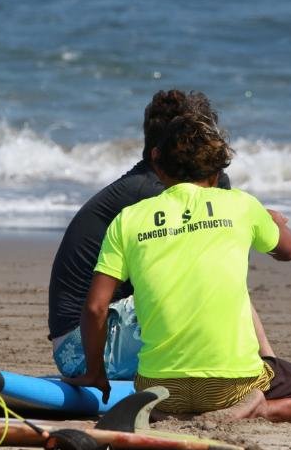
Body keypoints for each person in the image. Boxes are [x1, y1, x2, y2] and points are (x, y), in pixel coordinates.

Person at [64, 113, 291, 422]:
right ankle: (259, 408)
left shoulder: (128, 220)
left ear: (157, 164)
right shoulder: (241, 205)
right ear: (217, 171)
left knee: (173, 392)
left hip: (159, 387)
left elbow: (95, 308)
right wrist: (273, 220)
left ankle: (166, 413)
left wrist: (96, 373)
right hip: (231, 384)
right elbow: (287, 251)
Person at [47, 90, 276, 380]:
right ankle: (266, 371)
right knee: (213, 283)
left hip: (88, 340)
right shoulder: (153, 197)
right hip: (83, 347)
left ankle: (266, 363)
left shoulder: (146, 187)